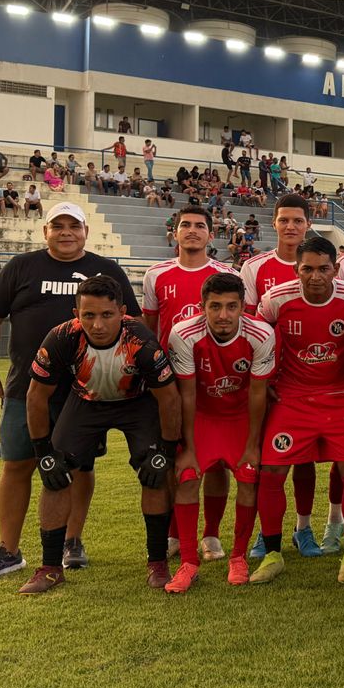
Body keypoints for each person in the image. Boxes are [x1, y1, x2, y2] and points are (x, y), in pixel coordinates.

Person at [0, 202, 138, 582]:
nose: (65, 232)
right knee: (17, 464)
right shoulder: (21, 267)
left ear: (85, 232)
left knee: (80, 467)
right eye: (57, 226)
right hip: (24, 387)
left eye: (73, 226)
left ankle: (71, 541)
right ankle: (8, 550)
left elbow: (132, 322)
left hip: (87, 391)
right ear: (45, 231)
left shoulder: (107, 270)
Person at [17, 275, 183, 594]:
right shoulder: (61, 337)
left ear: (122, 311)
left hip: (137, 404)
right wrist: (42, 451)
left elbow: (169, 397)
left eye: (107, 315)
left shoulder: (141, 340)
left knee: (154, 472)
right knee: (56, 476)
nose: (97, 324)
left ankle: (157, 563)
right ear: (76, 313)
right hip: (86, 402)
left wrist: (166, 448)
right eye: (88, 315)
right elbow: (36, 396)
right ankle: (50, 568)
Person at [253, 236, 344, 584]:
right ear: (296, 269)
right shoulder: (277, 299)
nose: (316, 276)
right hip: (291, 397)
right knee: (271, 471)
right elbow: (259, 336)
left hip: (340, 395)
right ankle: (273, 552)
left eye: (323, 269)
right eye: (308, 269)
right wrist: (267, 382)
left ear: (336, 269)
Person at [164, 273, 275, 592]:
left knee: (248, 477)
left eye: (231, 307)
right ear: (202, 307)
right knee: (186, 476)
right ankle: (188, 562)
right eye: (215, 307)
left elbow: (257, 392)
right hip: (202, 416)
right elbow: (187, 393)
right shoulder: (183, 333)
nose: (223, 315)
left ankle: (238, 557)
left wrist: (253, 444)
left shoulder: (260, 333)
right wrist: (186, 444)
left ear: (243, 306)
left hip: (240, 417)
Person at [142, 206, 239, 561]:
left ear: (211, 234)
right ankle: (172, 534)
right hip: (170, 383)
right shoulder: (156, 274)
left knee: (215, 462)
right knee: (174, 457)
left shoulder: (227, 273)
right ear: (175, 232)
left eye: (200, 226)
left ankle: (211, 535)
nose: (193, 230)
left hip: (217, 381)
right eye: (186, 225)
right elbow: (149, 329)